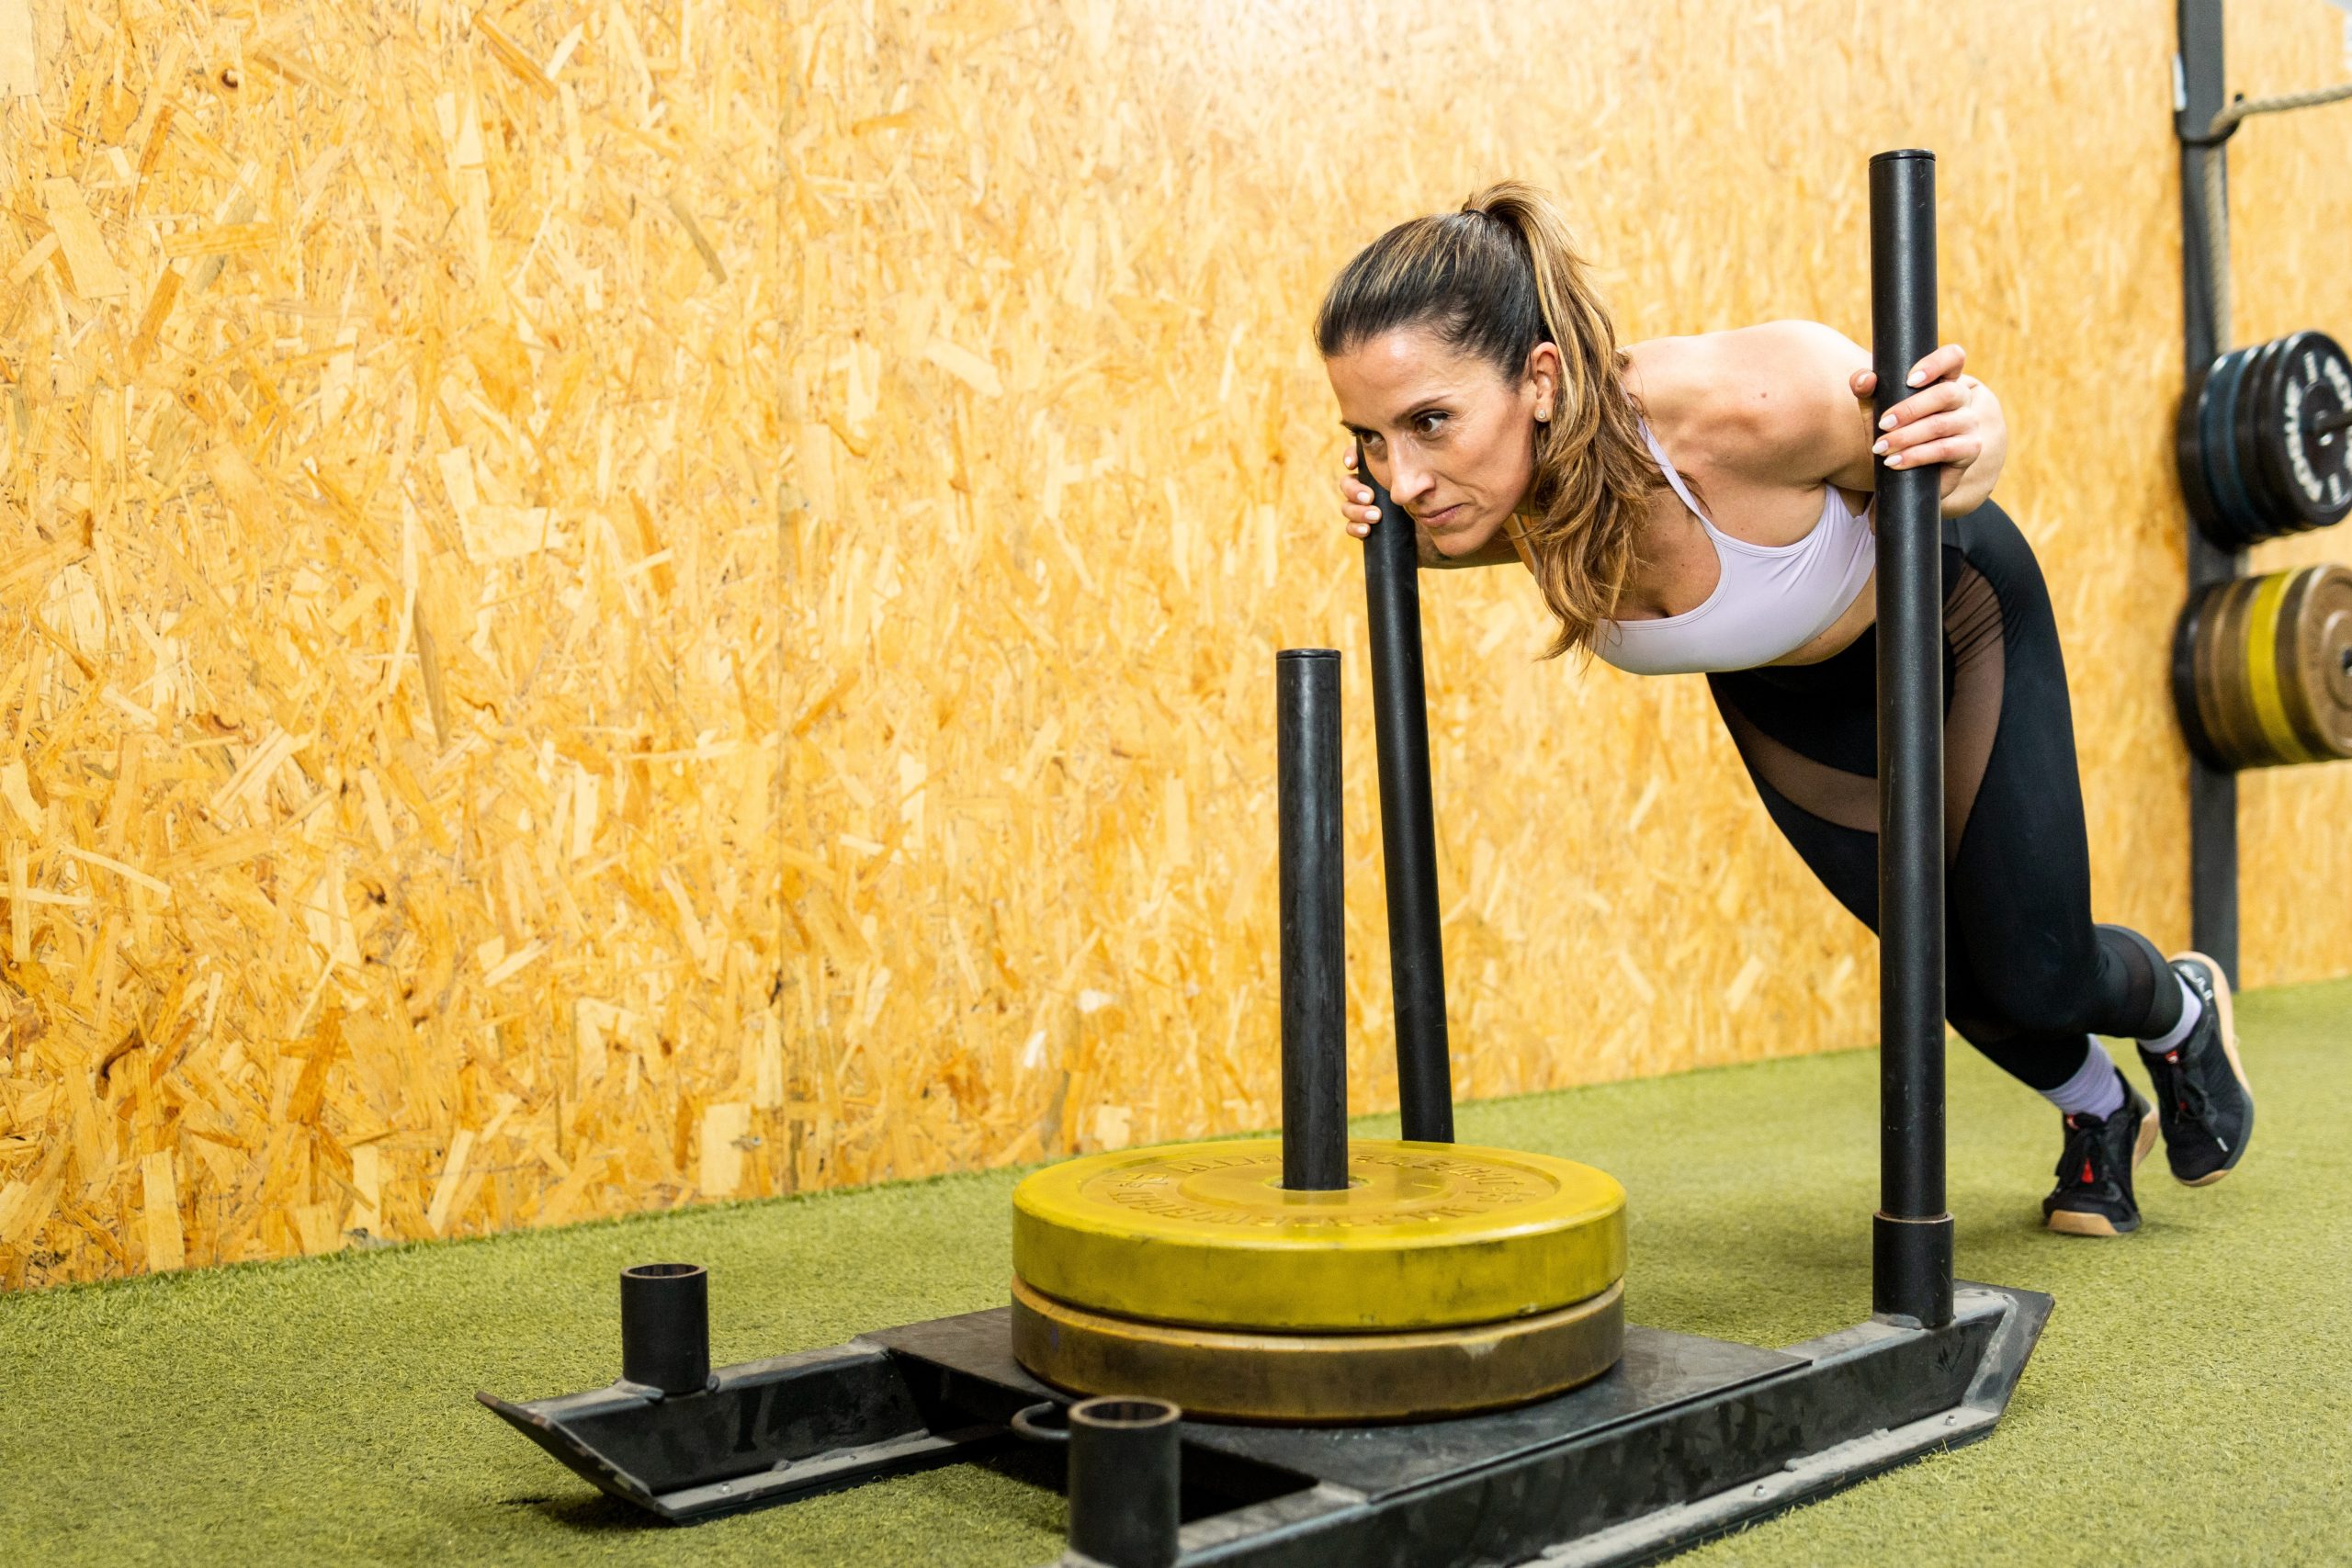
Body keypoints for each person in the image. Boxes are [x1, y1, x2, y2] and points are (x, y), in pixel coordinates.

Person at [1316, 181, 2254, 1237]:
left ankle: (2177, 1010)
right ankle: (2099, 1109)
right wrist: (1384, 500)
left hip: (1947, 630)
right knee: (1932, 960)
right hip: (1780, 692)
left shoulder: (1746, 408)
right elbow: (1432, 525)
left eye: (1428, 422)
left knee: (2033, 969)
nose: (1402, 478)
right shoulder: (1478, 492)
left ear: (1539, 379)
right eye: (1371, 438)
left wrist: (1980, 429)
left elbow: (1949, 439)